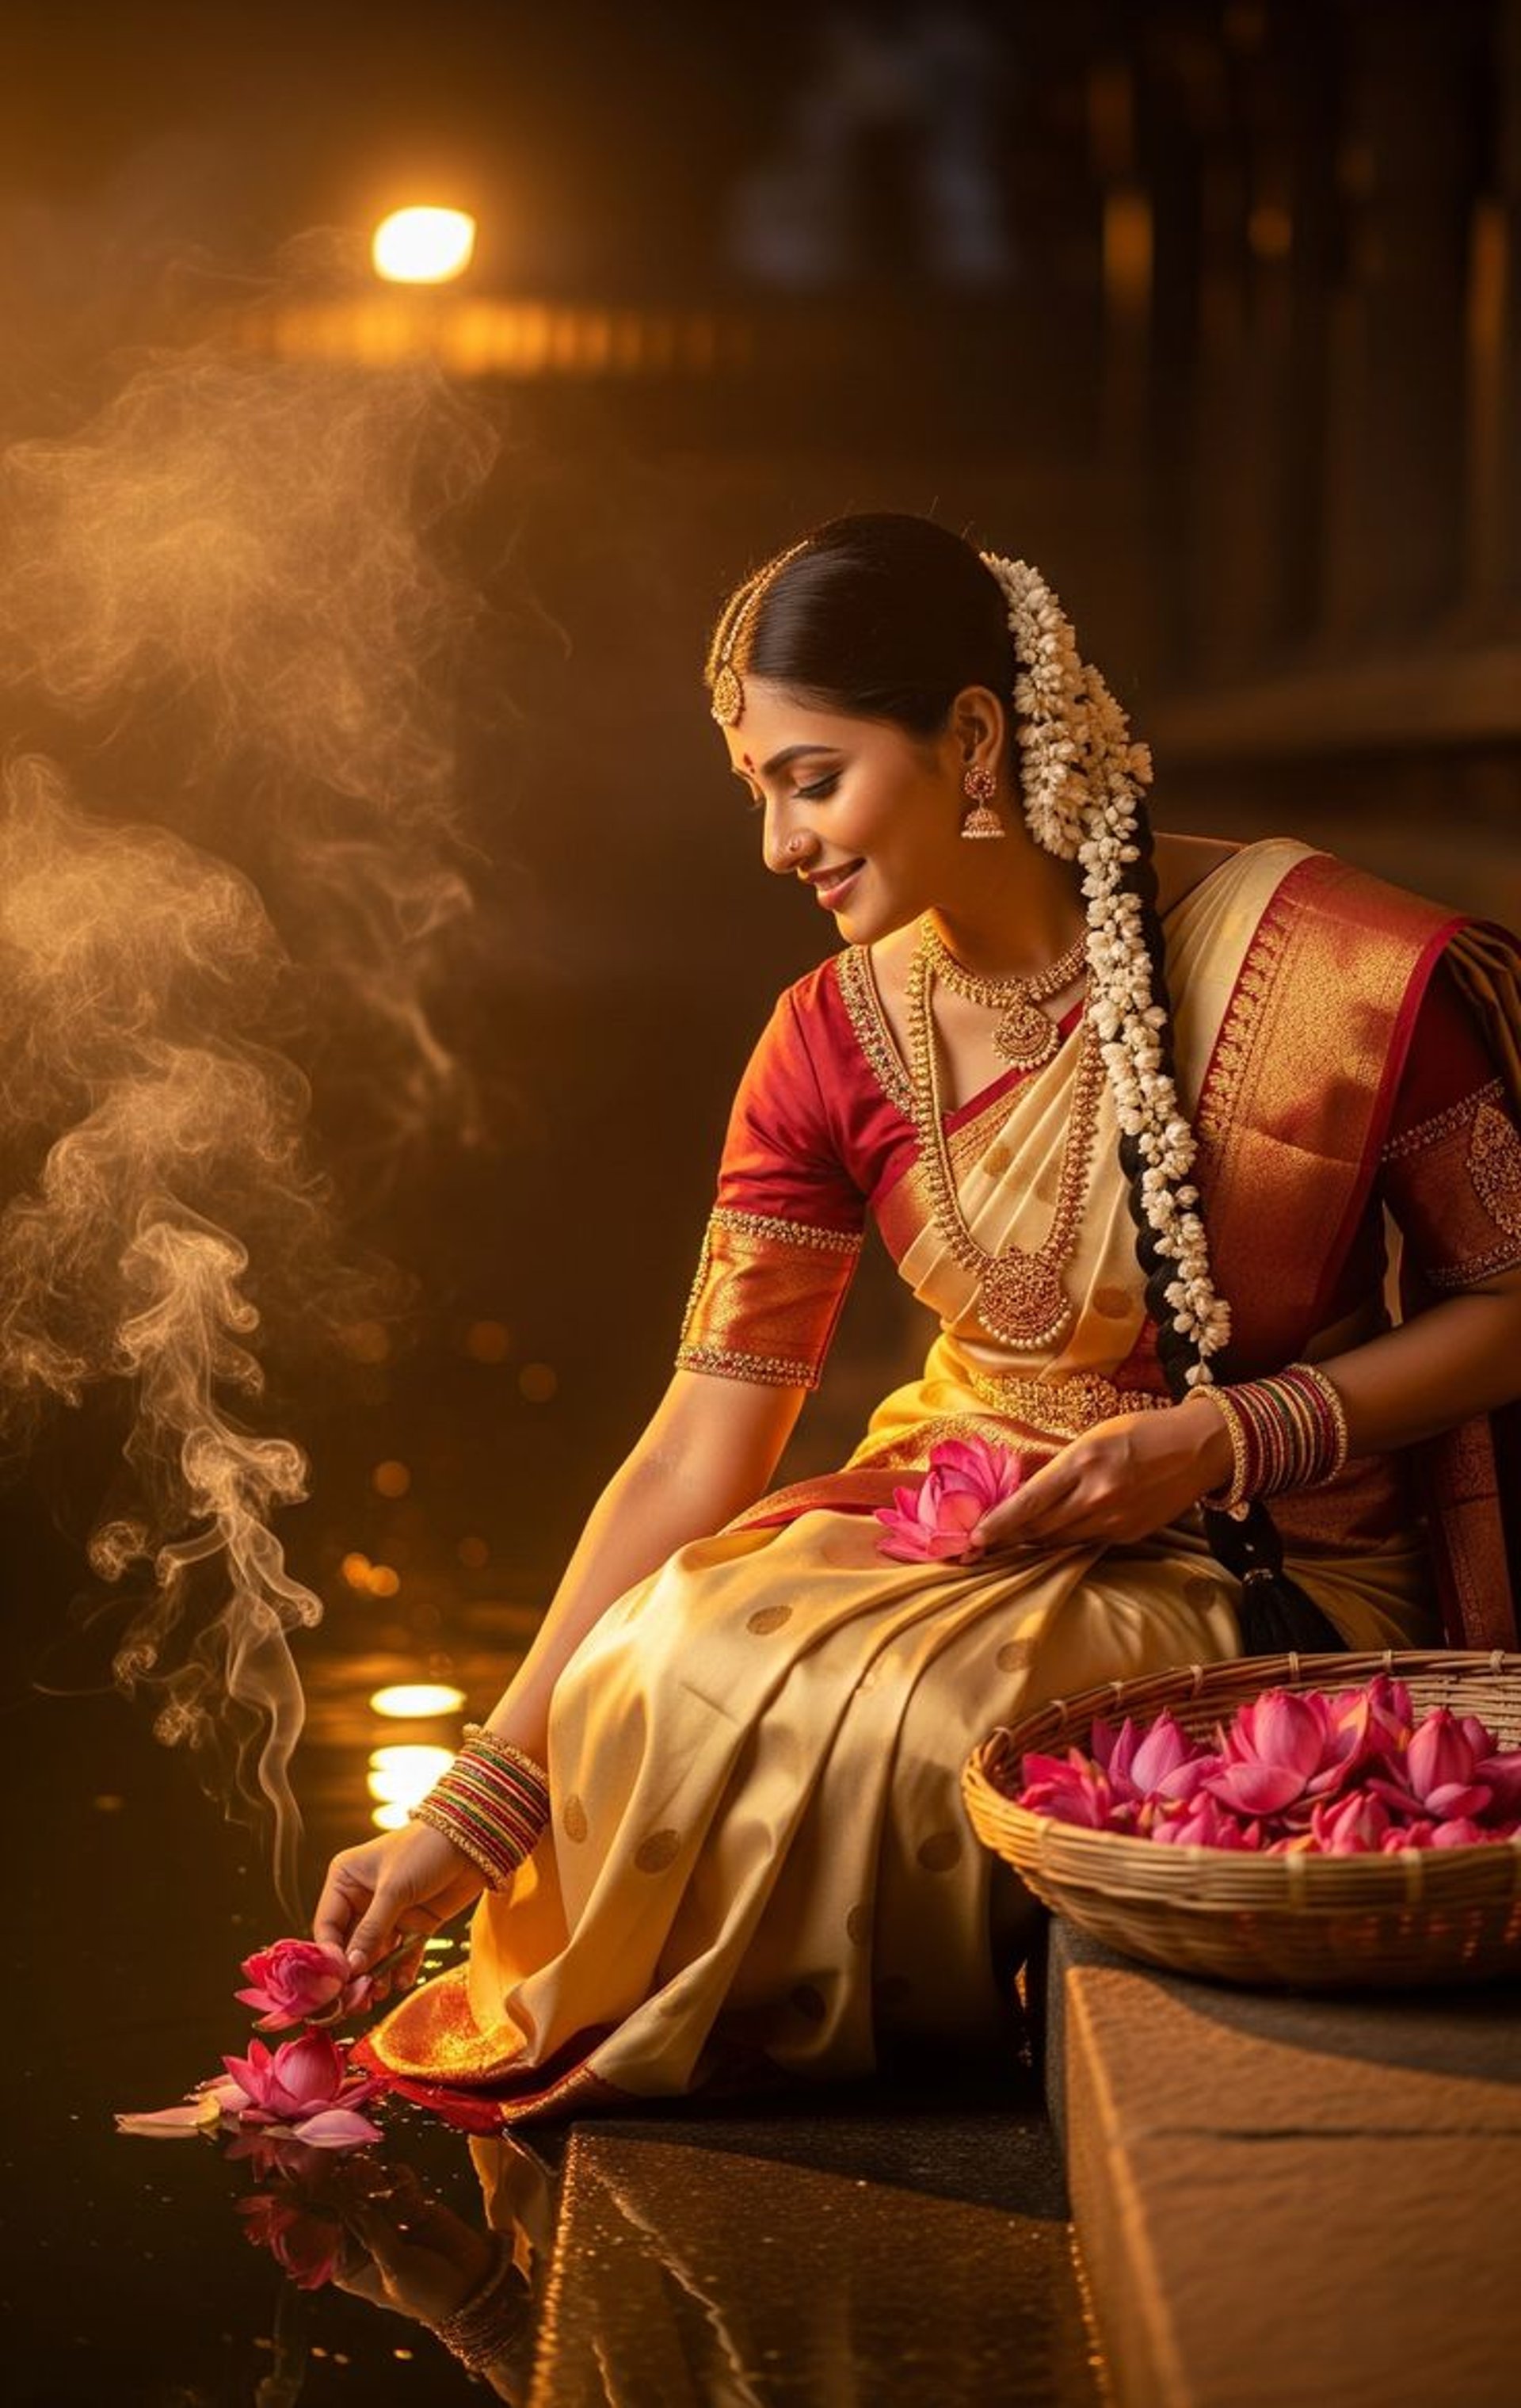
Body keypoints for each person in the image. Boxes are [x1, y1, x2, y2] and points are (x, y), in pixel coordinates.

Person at [317, 513, 1521, 2126]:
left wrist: (1231, 1434)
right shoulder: (827, 1033)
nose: (777, 842)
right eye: (757, 790)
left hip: (1266, 1536)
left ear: (968, 738)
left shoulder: (1340, 973)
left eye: (810, 778)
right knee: (652, 1660)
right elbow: (703, 1434)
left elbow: (1511, 1308)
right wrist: (479, 1800)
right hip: (964, 1504)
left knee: (929, 1720)